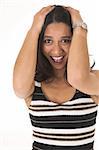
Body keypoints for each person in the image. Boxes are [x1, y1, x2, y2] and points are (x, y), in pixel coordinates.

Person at [13, 5, 99, 150]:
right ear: (39, 43)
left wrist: (80, 28)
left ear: (76, 41)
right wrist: (34, 29)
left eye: (65, 40)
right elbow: (19, 89)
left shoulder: (93, 81)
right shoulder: (33, 85)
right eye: (48, 41)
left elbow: (77, 78)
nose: (57, 50)